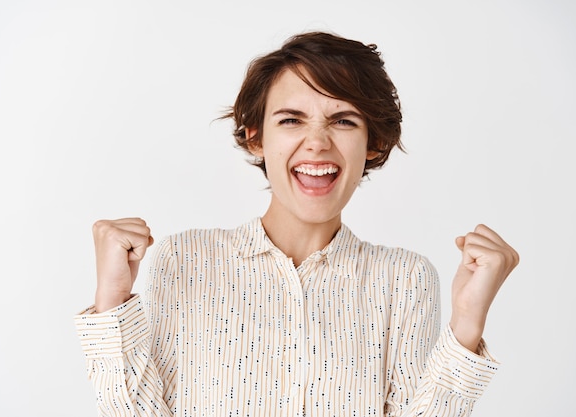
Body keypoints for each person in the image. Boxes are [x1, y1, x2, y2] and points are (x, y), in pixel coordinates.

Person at [75, 31, 519, 416]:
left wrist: (466, 325)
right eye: (291, 120)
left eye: (343, 120)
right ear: (256, 137)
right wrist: (112, 304)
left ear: (373, 141)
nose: (318, 143)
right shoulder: (187, 258)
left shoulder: (404, 278)